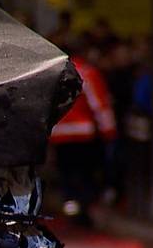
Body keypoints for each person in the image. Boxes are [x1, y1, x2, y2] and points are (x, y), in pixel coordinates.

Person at [50, 46, 117, 225]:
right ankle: (84, 206)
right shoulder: (87, 73)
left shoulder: (53, 73)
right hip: (83, 133)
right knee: (84, 171)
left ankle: (70, 203)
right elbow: (99, 104)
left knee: (66, 171)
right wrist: (108, 131)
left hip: (60, 134)